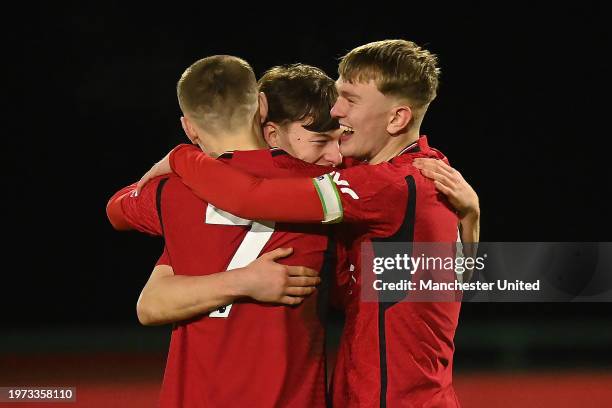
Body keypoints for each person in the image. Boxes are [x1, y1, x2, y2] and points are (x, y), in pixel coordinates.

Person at [137, 40, 480, 407]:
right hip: (380, 389)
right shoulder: (425, 169)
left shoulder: (386, 186)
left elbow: (249, 198)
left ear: (397, 118)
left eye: (350, 99)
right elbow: (451, 276)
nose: (337, 109)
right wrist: (473, 218)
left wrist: (183, 157)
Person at [107, 56, 342, 407]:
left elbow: (116, 210)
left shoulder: (170, 192)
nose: (334, 156)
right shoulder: (321, 189)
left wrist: (181, 158)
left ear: (189, 127)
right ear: (261, 107)